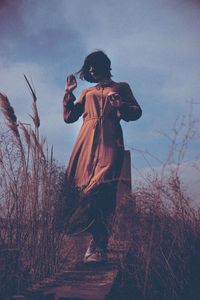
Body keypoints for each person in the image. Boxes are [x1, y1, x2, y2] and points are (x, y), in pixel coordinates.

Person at [62, 50, 142, 263]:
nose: (90, 70)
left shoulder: (121, 87)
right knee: (82, 190)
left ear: (104, 66)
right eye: (88, 66)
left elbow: (136, 112)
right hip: (86, 142)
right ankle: (96, 243)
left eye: (93, 65)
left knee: (102, 189)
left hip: (110, 141)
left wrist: (120, 106)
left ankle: (98, 244)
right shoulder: (86, 92)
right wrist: (69, 93)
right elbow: (69, 117)